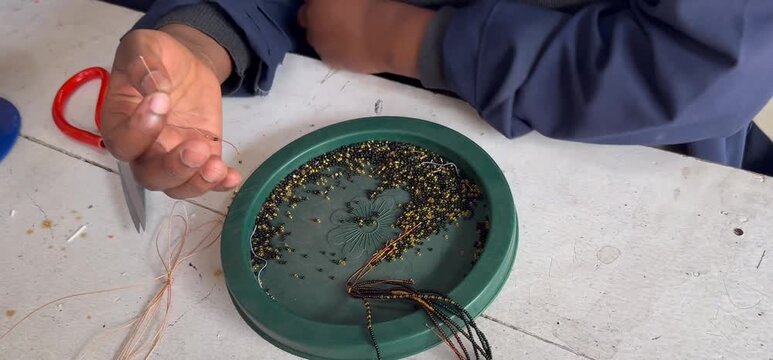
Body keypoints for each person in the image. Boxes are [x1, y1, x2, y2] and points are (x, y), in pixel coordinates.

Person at [100, 0, 773, 199]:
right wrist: (202, 37)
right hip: (342, 101)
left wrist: (414, 39)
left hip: (653, 166)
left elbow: (709, 67)